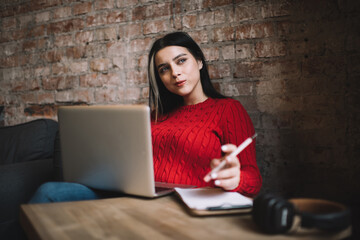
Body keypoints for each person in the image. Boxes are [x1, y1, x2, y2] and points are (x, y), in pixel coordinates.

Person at [29, 32, 262, 203]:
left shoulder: (228, 109)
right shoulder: (152, 117)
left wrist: (236, 179)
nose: (175, 73)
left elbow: (254, 180)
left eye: (181, 61)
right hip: (131, 194)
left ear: (199, 62)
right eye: (164, 69)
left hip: (184, 202)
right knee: (49, 192)